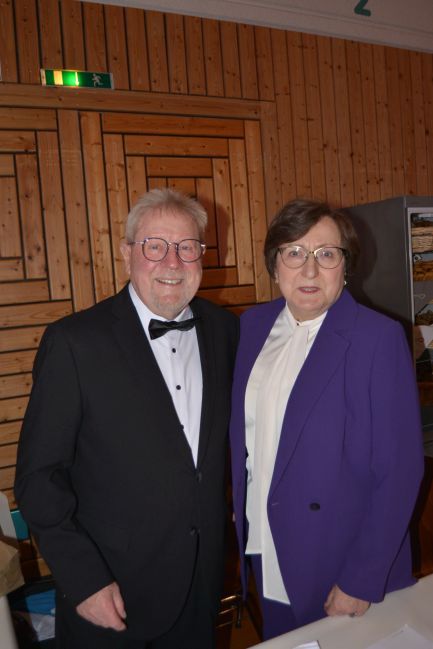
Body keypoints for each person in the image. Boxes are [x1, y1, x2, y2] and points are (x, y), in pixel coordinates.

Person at [15, 188, 239, 649]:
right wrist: (84, 580)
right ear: (126, 254)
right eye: (155, 246)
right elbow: (39, 478)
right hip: (111, 591)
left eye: (187, 246)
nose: (172, 262)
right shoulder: (74, 343)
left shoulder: (225, 330)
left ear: (201, 255)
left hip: (200, 583)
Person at [229, 198, 424, 640]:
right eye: (294, 252)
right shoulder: (251, 327)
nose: (310, 270)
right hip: (268, 542)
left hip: (340, 558)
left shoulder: (377, 338)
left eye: (326, 254)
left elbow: (399, 470)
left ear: (346, 266)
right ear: (274, 264)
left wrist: (361, 577)